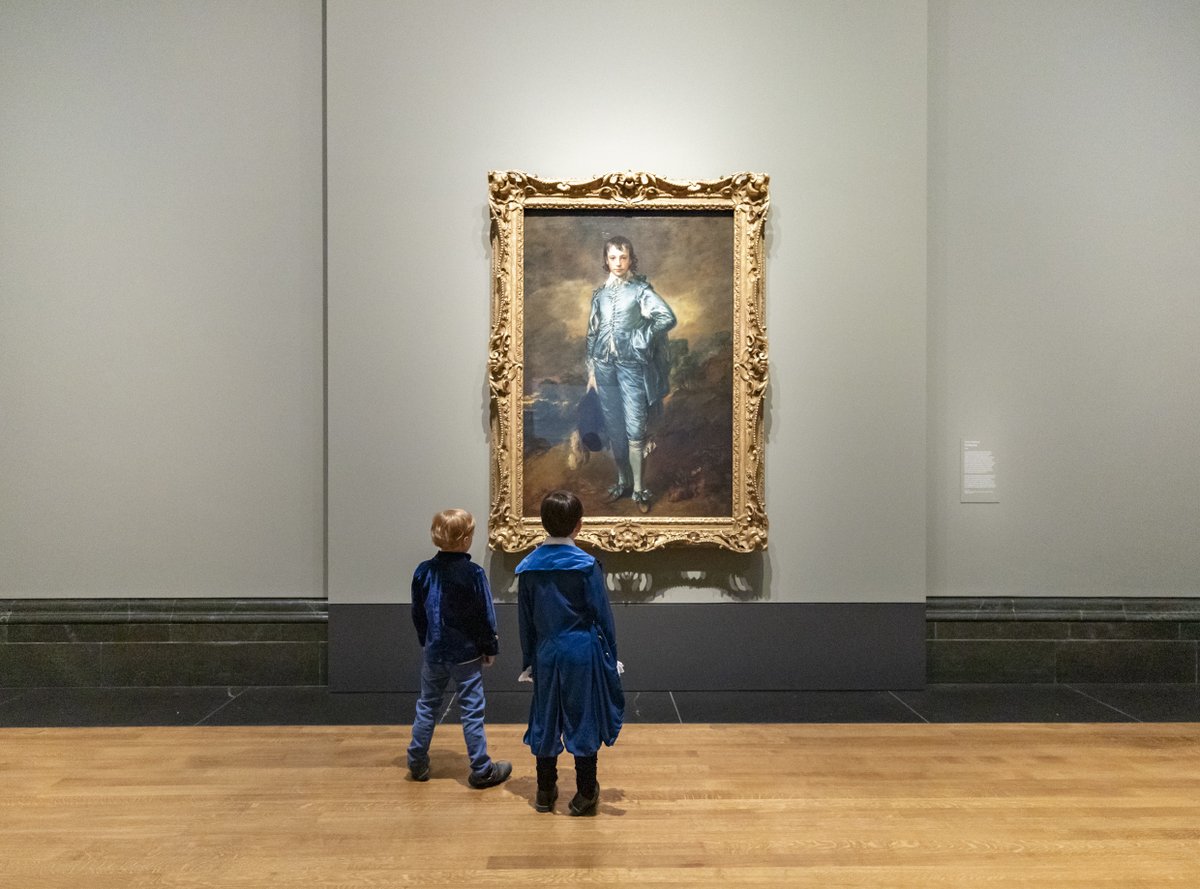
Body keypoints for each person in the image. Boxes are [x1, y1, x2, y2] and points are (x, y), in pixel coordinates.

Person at [516, 490, 624, 815]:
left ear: (543, 524)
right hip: (582, 650)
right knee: (582, 717)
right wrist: (612, 656)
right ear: (579, 525)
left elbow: (525, 620)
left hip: (547, 650)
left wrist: (529, 661)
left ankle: (545, 791)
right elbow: (603, 615)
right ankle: (585, 793)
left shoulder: (529, 568)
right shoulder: (586, 566)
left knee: (545, 717)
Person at [407, 508, 512, 789]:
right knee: (472, 710)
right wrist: (489, 647)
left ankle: (416, 760)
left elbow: (418, 613)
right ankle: (481, 768)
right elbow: (485, 617)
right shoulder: (474, 574)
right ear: (466, 539)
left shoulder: (423, 571)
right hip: (466, 654)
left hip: (434, 652)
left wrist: (425, 641)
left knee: (427, 706)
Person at [585, 235, 676, 513]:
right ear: (605, 260)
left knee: (635, 429)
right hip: (603, 367)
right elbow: (592, 332)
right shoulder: (599, 295)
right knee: (615, 428)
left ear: (630, 259)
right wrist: (591, 371)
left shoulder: (640, 291)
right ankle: (622, 481)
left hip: (632, 367)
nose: (618, 263)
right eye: (612, 257)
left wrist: (641, 336)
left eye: (623, 257)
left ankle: (639, 489)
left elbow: (667, 317)